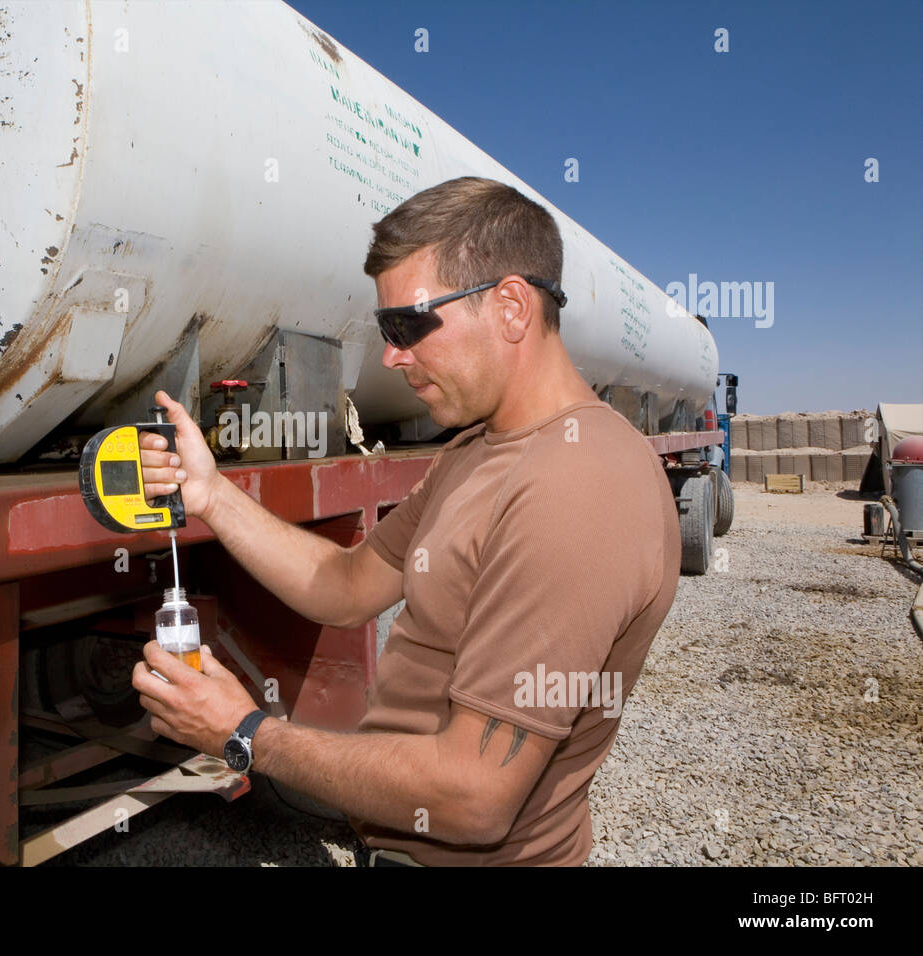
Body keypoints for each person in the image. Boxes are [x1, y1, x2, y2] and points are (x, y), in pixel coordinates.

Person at [129, 177, 681, 865]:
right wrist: (211, 495)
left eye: (408, 326)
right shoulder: (475, 453)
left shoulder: (578, 489)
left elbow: (475, 796)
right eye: (385, 331)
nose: (390, 355)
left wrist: (245, 733)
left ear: (511, 306)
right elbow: (343, 583)